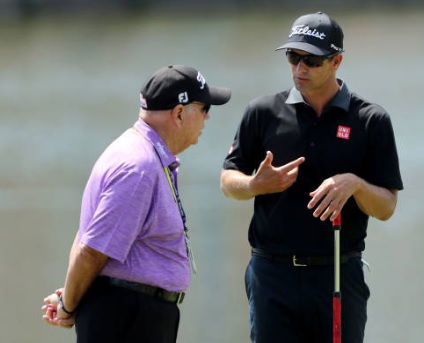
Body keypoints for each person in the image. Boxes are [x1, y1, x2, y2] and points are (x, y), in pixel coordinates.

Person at [220, 12, 403, 343]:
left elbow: (387, 206)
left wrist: (356, 184)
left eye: (311, 60)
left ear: (337, 61)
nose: (299, 69)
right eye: (293, 57)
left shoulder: (370, 120)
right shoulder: (262, 112)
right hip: (271, 276)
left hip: (338, 275)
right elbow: (227, 180)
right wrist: (254, 185)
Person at [41, 65, 231, 343]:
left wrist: (70, 296)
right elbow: (92, 250)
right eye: (204, 108)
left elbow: (87, 237)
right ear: (179, 113)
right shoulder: (138, 166)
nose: (208, 117)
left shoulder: (143, 154)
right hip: (128, 316)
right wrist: (69, 305)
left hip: (135, 312)